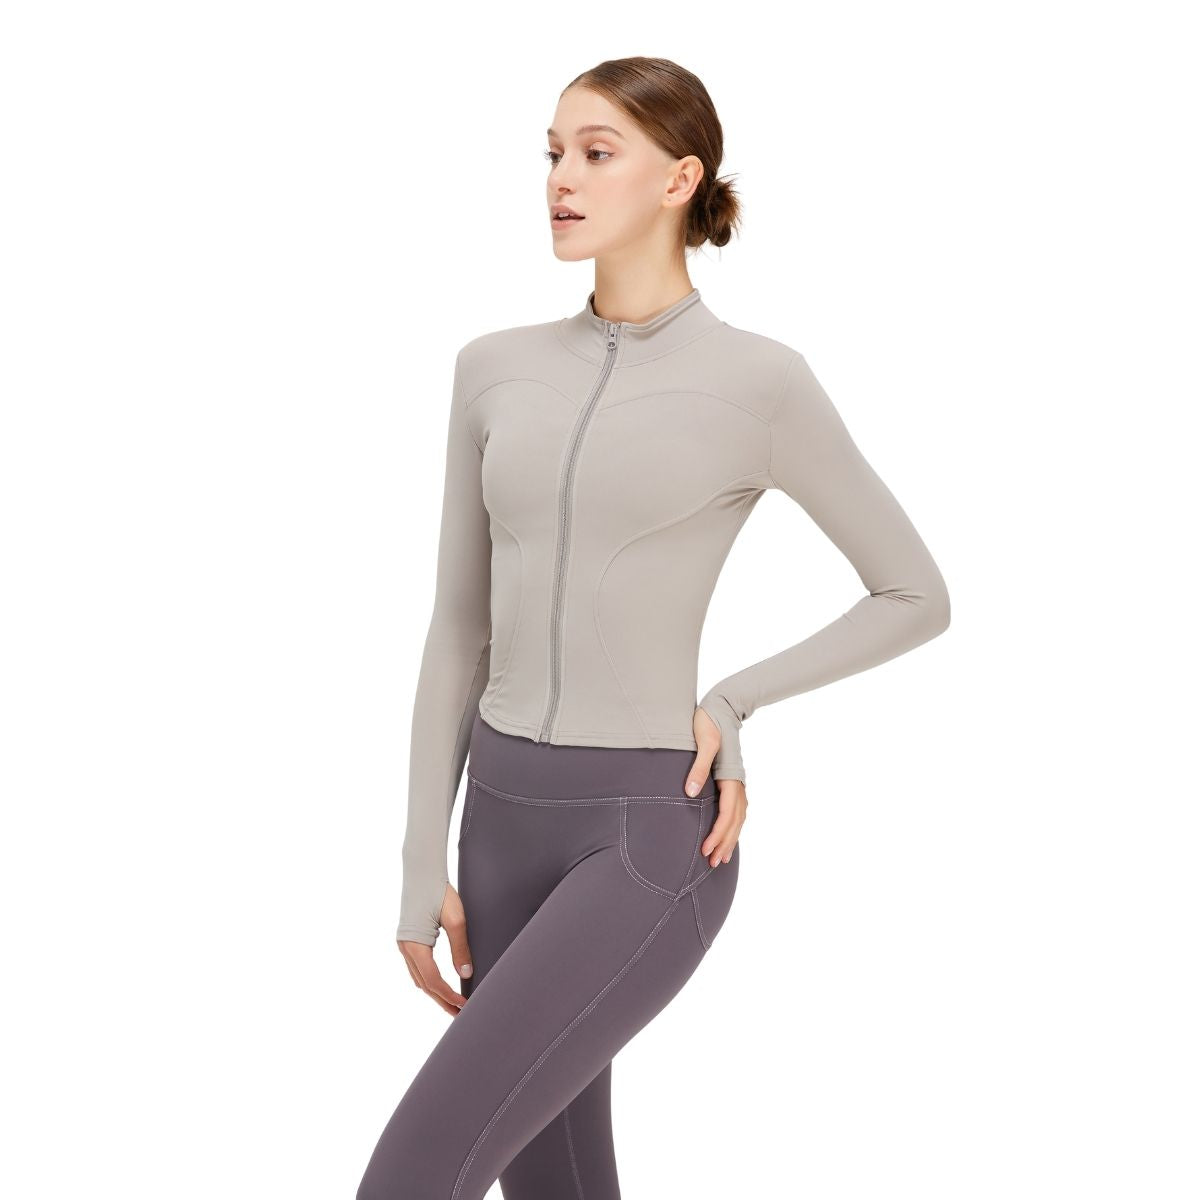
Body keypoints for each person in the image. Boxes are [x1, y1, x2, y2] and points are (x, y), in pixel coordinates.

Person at [358, 55, 951, 1200]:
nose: (560, 180)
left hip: (644, 839)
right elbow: (458, 628)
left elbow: (915, 593)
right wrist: (421, 856)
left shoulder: (761, 384)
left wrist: (734, 699)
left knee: (415, 1174)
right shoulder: (491, 369)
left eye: (597, 153)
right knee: (556, 1185)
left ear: (680, 179)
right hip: (499, 825)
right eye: (552, 154)